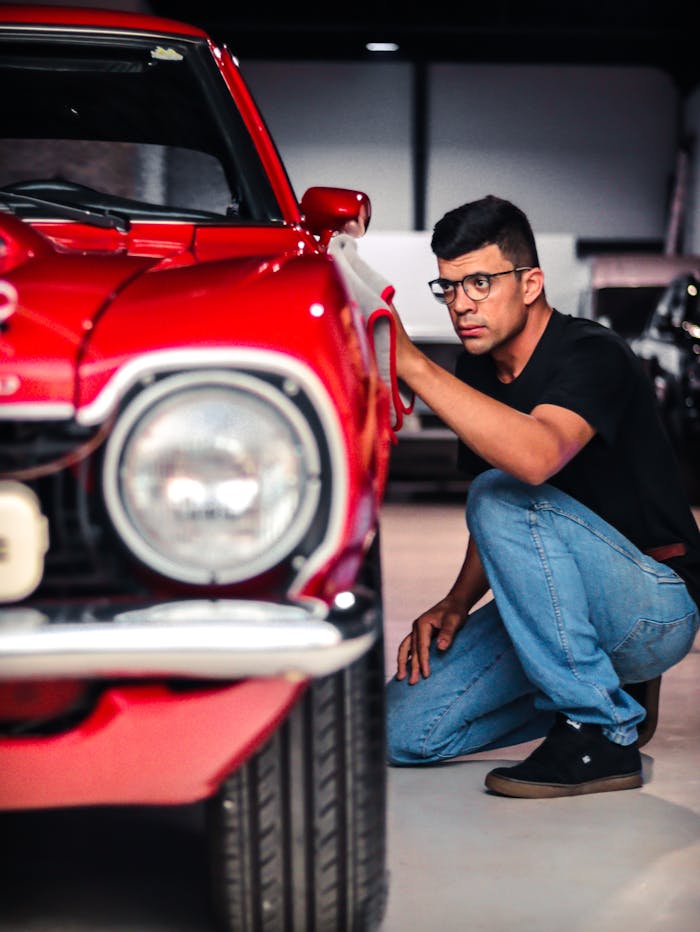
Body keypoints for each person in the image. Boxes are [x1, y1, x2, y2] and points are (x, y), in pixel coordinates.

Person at [384, 194, 700, 798]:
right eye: (448, 287)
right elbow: (507, 519)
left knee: (498, 491)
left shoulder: (592, 353)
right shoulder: (480, 372)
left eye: (479, 282)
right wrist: (455, 602)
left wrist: (417, 369)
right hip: (566, 608)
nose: (462, 304)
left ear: (530, 283)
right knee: (404, 729)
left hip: (654, 602)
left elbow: (532, 463)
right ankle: (606, 690)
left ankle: (602, 731)